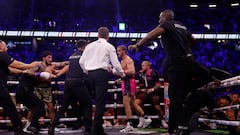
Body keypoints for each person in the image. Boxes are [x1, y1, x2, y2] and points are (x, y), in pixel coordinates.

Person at [128, 10, 217, 135]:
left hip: (178, 63)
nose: (159, 21)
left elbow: (151, 35)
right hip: (190, 61)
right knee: (183, 92)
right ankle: (181, 123)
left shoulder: (166, 24)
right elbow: (193, 40)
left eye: (160, 18)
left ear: (165, 17)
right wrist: (185, 48)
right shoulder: (182, 26)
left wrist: (138, 45)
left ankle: (184, 123)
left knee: (174, 96)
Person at [80, 27, 125, 135]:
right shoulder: (109, 46)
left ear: (98, 35)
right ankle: (96, 131)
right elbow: (116, 64)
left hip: (89, 75)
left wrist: (86, 71)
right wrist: (122, 74)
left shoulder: (89, 46)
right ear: (108, 36)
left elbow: (81, 61)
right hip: (101, 75)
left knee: (92, 102)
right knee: (100, 103)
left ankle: (98, 129)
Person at [48, 40, 92, 135]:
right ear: (85, 47)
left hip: (68, 82)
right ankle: (88, 129)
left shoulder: (72, 56)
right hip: (78, 82)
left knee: (64, 106)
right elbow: (88, 68)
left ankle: (52, 126)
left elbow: (69, 67)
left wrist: (59, 73)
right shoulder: (85, 56)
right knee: (87, 104)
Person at [0, 40, 39, 135]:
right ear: (1, 47)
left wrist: (23, 71)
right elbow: (16, 64)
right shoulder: (1, 54)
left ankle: (18, 130)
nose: (7, 48)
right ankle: (18, 130)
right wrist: (29, 66)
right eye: (5, 46)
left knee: (10, 108)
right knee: (10, 108)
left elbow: (10, 69)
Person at [115, 45, 147, 133]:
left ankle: (129, 124)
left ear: (124, 51)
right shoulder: (123, 60)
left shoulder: (128, 60)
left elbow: (132, 71)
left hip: (128, 83)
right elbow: (125, 74)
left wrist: (119, 71)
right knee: (133, 103)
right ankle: (146, 118)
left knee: (126, 103)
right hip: (126, 82)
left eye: (119, 51)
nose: (118, 52)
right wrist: (120, 77)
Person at [135, 61, 168, 128]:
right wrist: (141, 90)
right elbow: (133, 82)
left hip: (153, 93)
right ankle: (141, 120)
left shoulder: (154, 73)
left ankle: (163, 121)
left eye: (143, 65)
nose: (142, 67)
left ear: (148, 66)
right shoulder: (139, 73)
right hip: (143, 93)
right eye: (142, 65)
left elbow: (158, 85)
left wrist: (152, 89)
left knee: (157, 107)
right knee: (136, 103)